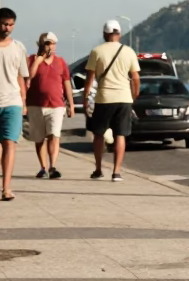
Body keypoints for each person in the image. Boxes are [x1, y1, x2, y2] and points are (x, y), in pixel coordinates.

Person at [83, 20, 141, 182]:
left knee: (99, 134)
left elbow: (90, 79)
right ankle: (116, 172)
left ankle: (98, 169)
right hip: (124, 99)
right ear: (119, 34)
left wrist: (86, 98)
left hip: (104, 98)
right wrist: (134, 95)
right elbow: (136, 78)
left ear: (104, 34)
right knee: (120, 135)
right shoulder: (129, 52)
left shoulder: (97, 51)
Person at [0, 8, 29, 201]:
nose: (7, 28)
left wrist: (23, 102)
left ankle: (6, 188)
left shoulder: (18, 47)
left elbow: (21, 76)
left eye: (11, 24)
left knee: (9, 143)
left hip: (12, 102)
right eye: (4, 24)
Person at [26, 32, 74, 179]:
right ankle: (43, 167)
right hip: (36, 105)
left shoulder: (60, 62)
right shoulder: (31, 60)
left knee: (54, 135)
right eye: (46, 43)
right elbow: (28, 77)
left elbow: (66, 83)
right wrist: (38, 61)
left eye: (52, 43)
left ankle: (53, 166)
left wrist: (70, 104)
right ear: (40, 45)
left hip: (56, 104)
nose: (49, 46)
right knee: (39, 138)